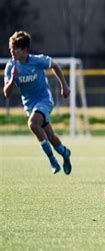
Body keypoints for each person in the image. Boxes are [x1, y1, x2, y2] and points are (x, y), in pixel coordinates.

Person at [3, 31, 72, 175]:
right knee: (51, 137)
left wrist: (64, 86)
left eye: (15, 48)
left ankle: (52, 160)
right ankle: (65, 153)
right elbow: (6, 93)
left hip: (44, 100)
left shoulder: (38, 60)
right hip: (29, 105)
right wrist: (11, 79)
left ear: (25, 50)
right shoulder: (11, 67)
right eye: (11, 48)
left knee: (33, 124)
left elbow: (55, 66)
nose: (12, 51)